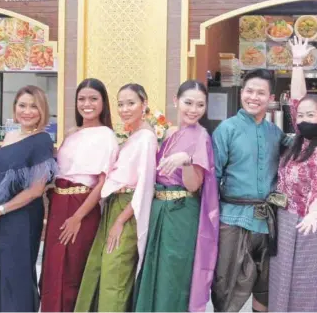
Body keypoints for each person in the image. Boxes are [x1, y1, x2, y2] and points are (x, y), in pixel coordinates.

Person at [134, 80, 219, 312]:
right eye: (188, 102)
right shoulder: (170, 132)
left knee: (173, 277)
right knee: (153, 272)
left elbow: (193, 186)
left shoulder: (200, 136)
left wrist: (188, 161)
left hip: (181, 214)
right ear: (176, 101)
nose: (193, 109)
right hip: (159, 212)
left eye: (200, 105)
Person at [211, 69, 291, 312]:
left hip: (267, 221)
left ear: (271, 98)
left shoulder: (275, 133)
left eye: (261, 93)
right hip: (232, 219)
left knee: (265, 285)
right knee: (226, 283)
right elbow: (213, 175)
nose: (254, 97)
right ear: (241, 92)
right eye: (249, 91)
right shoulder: (226, 129)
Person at [267, 38, 317, 312]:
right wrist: (297, 62)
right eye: (302, 115)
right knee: (281, 282)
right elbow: (297, 100)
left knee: (305, 287)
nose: (305, 119)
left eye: (312, 115)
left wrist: (315, 211)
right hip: (285, 222)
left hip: (310, 226)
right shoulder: (296, 142)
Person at [74, 84, 157, 312]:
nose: (125, 109)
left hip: (127, 210)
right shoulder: (133, 136)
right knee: (100, 269)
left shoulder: (147, 138)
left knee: (115, 274)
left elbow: (145, 186)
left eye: (131, 103)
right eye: (120, 104)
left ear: (144, 103)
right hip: (114, 206)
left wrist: (121, 221)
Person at [0, 85, 57, 312]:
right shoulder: (10, 135)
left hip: (21, 217)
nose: (27, 111)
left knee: (16, 276)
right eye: (22, 105)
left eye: (33, 106)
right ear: (14, 107)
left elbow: (35, 190)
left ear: (42, 111)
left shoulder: (42, 141)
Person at [40, 78, 119, 312]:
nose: (87, 104)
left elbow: (102, 184)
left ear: (103, 103)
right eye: (82, 99)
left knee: (74, 269)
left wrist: (77, 217)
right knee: (53, 268)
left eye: (93, 99)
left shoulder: (107, 136)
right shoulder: (72, 133)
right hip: (58, 204)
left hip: (82, 206)